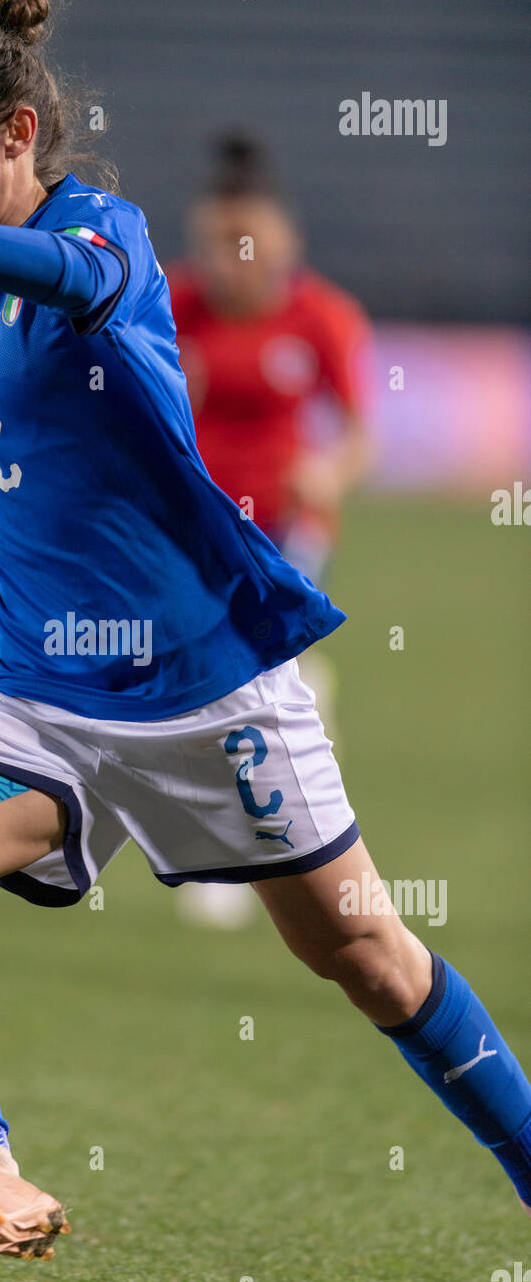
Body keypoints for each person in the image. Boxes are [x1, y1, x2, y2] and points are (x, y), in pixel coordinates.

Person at [0, 0, 531, 1270]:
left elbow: (79, 282)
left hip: (208, 692)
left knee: (367, 957)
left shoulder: (100, 231)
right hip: (46, 701)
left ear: (17, 130)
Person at [166, 136, 375, 929]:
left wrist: (330, 472)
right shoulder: (177, 306)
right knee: (199, 686)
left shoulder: (322, 317)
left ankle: (239, 858)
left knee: (234, 678)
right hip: (198, 527)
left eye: (243, 240)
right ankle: (251, 818)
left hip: (287, 529)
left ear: (282, 240)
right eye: (215, 241)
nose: (229, 259)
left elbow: (359, 433)